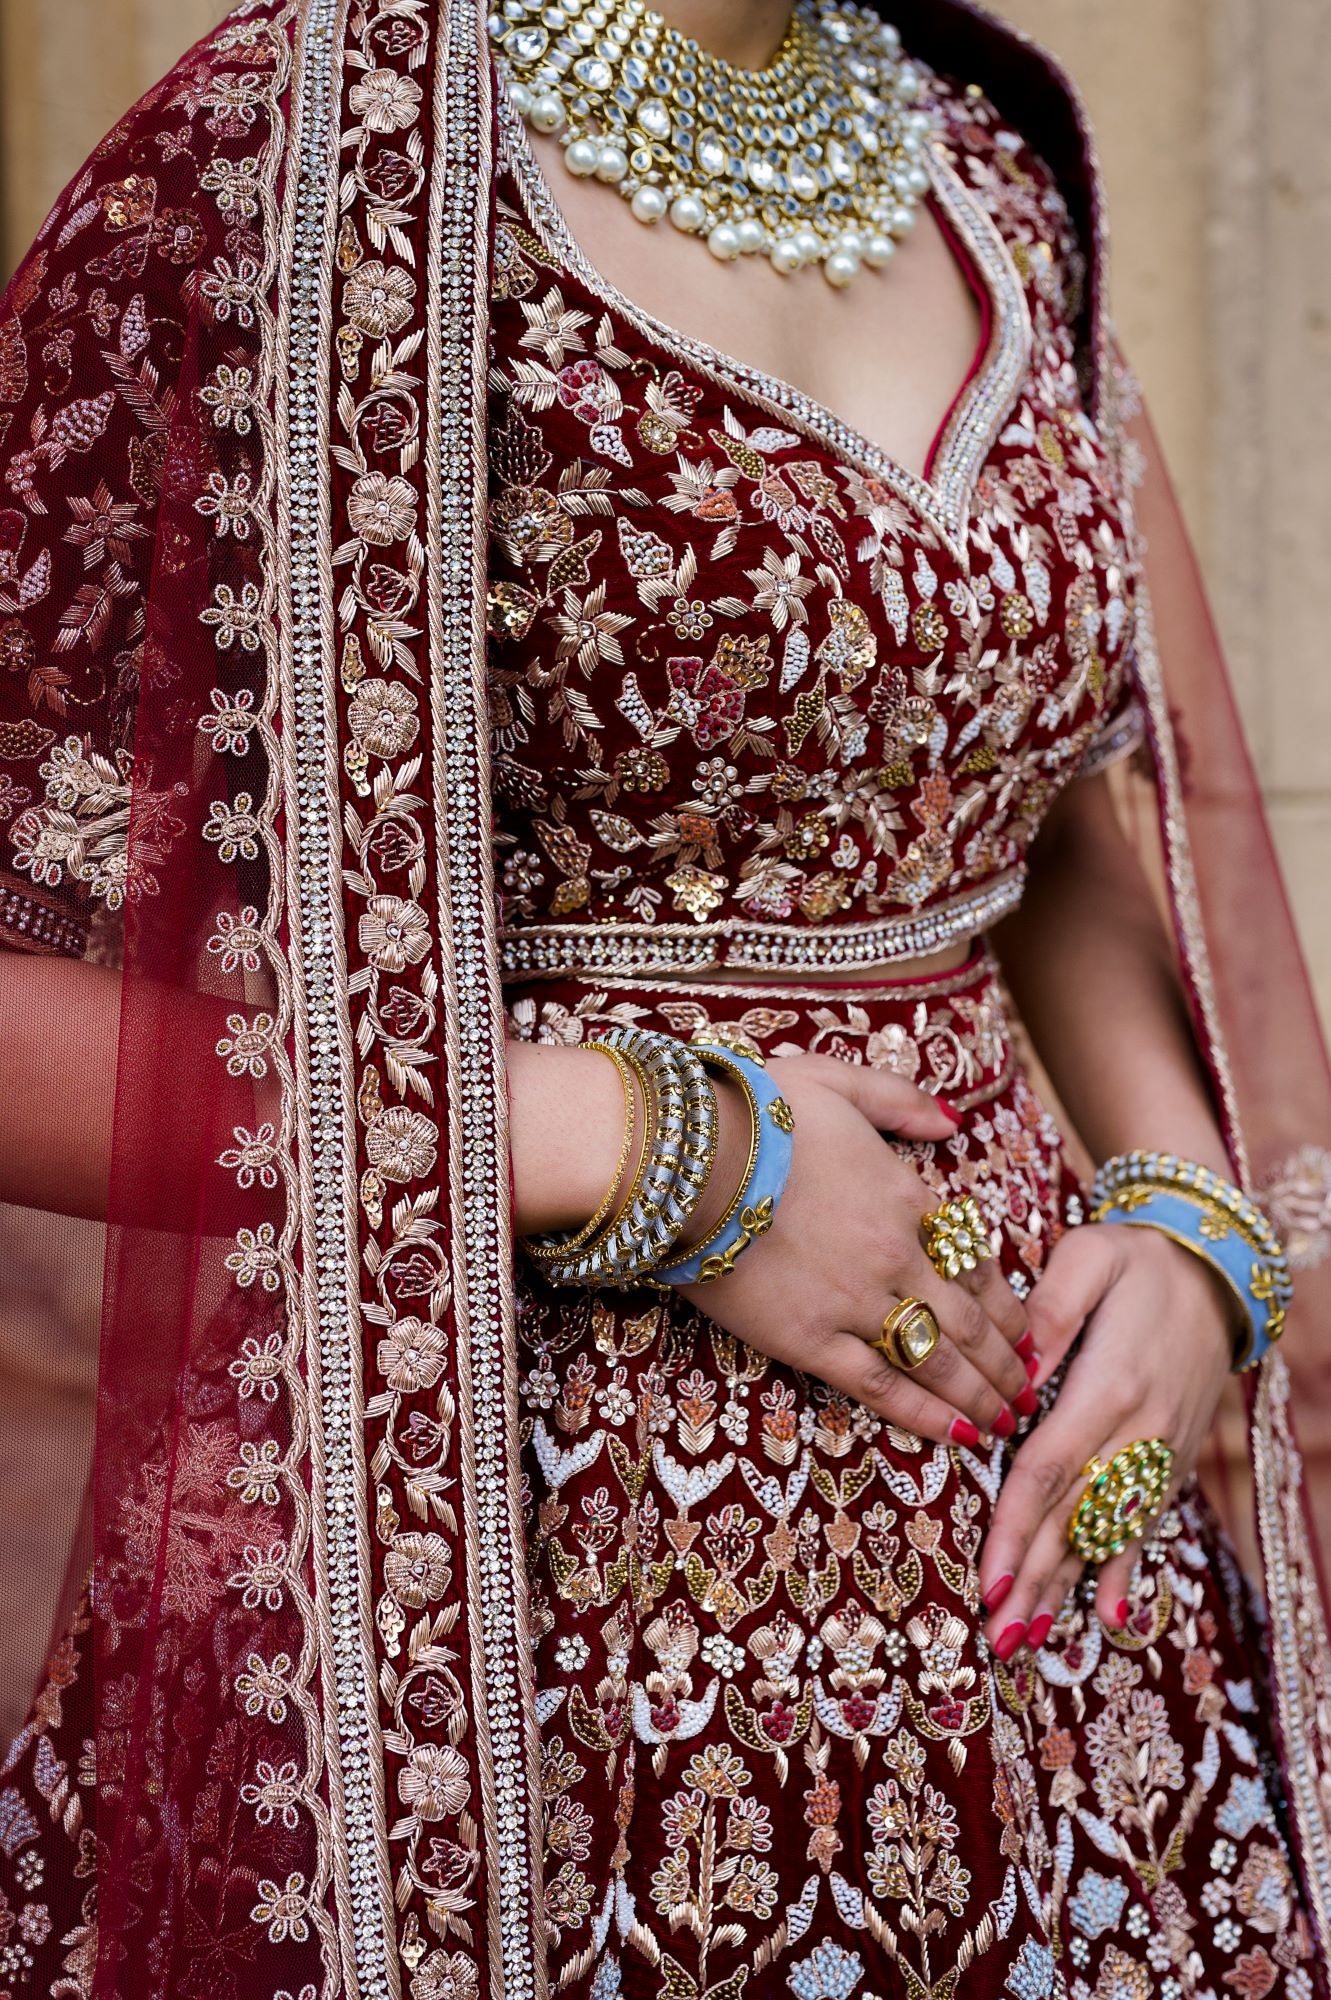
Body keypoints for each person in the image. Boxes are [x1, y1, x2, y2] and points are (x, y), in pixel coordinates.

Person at [1, 0, 1329, 1994]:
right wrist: (635, 1138)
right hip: (509, 1642)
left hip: (1067, 1641)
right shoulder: (288, 158)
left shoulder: (983, 159)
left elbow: (1018, 799)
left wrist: (1184, 1225)